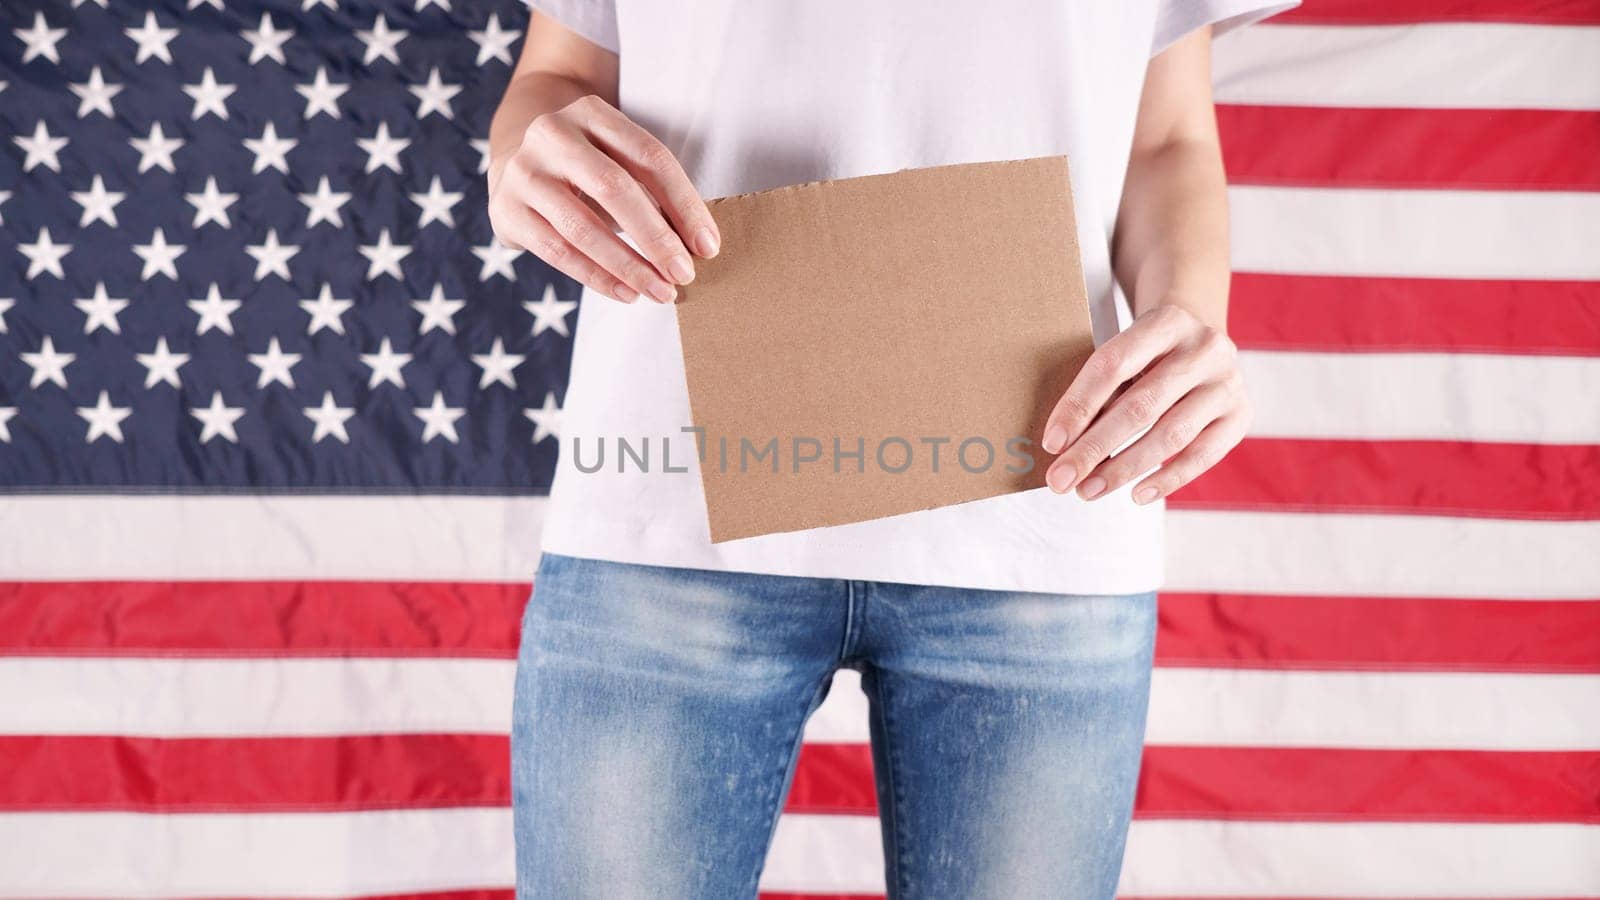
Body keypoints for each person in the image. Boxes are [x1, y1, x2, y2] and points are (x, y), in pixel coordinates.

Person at [487, 1, 1294, 897]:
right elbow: (557, 77)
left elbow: (1165, 139)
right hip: (674, 496)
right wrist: (522, 155)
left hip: (1040, 504)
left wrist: (1190, 318)